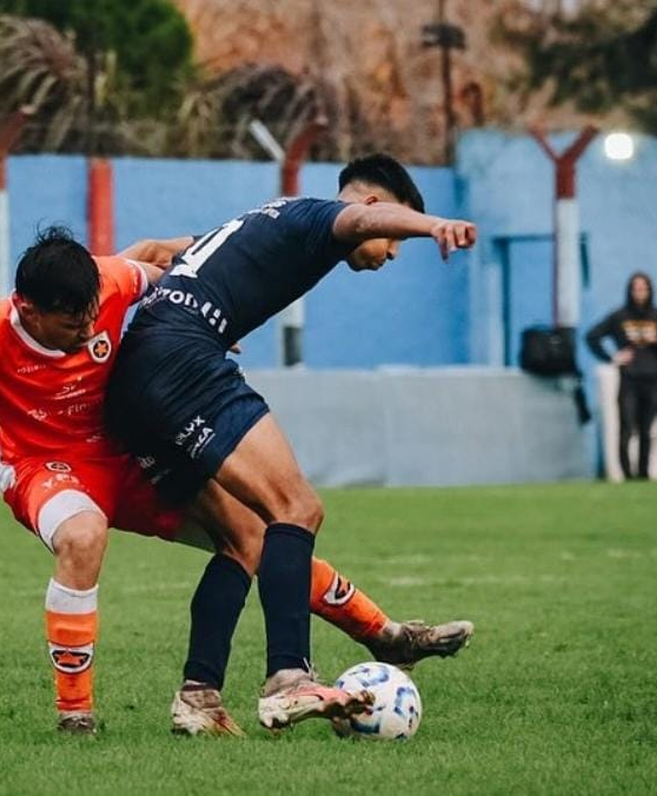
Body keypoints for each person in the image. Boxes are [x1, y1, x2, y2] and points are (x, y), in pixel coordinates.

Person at [0, 227, 471, 736]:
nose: (89, 329)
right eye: (71, 323)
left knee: (256, 536)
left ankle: (384, 636)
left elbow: (163, 263)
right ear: (27, 308)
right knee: (83, 535)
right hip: (48, 468)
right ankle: (76, 715)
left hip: (132, 452)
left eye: (93, 315)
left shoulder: (108, 282)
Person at [104, 153, 477, 733]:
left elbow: (152, 250)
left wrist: (109, 312)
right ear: (376, 207)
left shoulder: (259, 219)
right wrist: (434, 227)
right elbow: (358, 223)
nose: (391, 253)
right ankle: (289, 679)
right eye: (393, 237)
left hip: (136, 377)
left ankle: (198, 697)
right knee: (297, 509)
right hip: (182, 361)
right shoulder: (322, 218)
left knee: (245, 537)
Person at [585, 273, 657, 480]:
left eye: (644, 288)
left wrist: (656, 341)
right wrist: (612, 357)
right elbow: (592, 336)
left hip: (651, 380)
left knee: (646, 430)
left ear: (650, 291)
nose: (640, 293)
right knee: (627, 428)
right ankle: (626, 474)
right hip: (629, 379)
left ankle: (643, 473)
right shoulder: (620, 315)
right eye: (636, 288)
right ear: (630, 291)